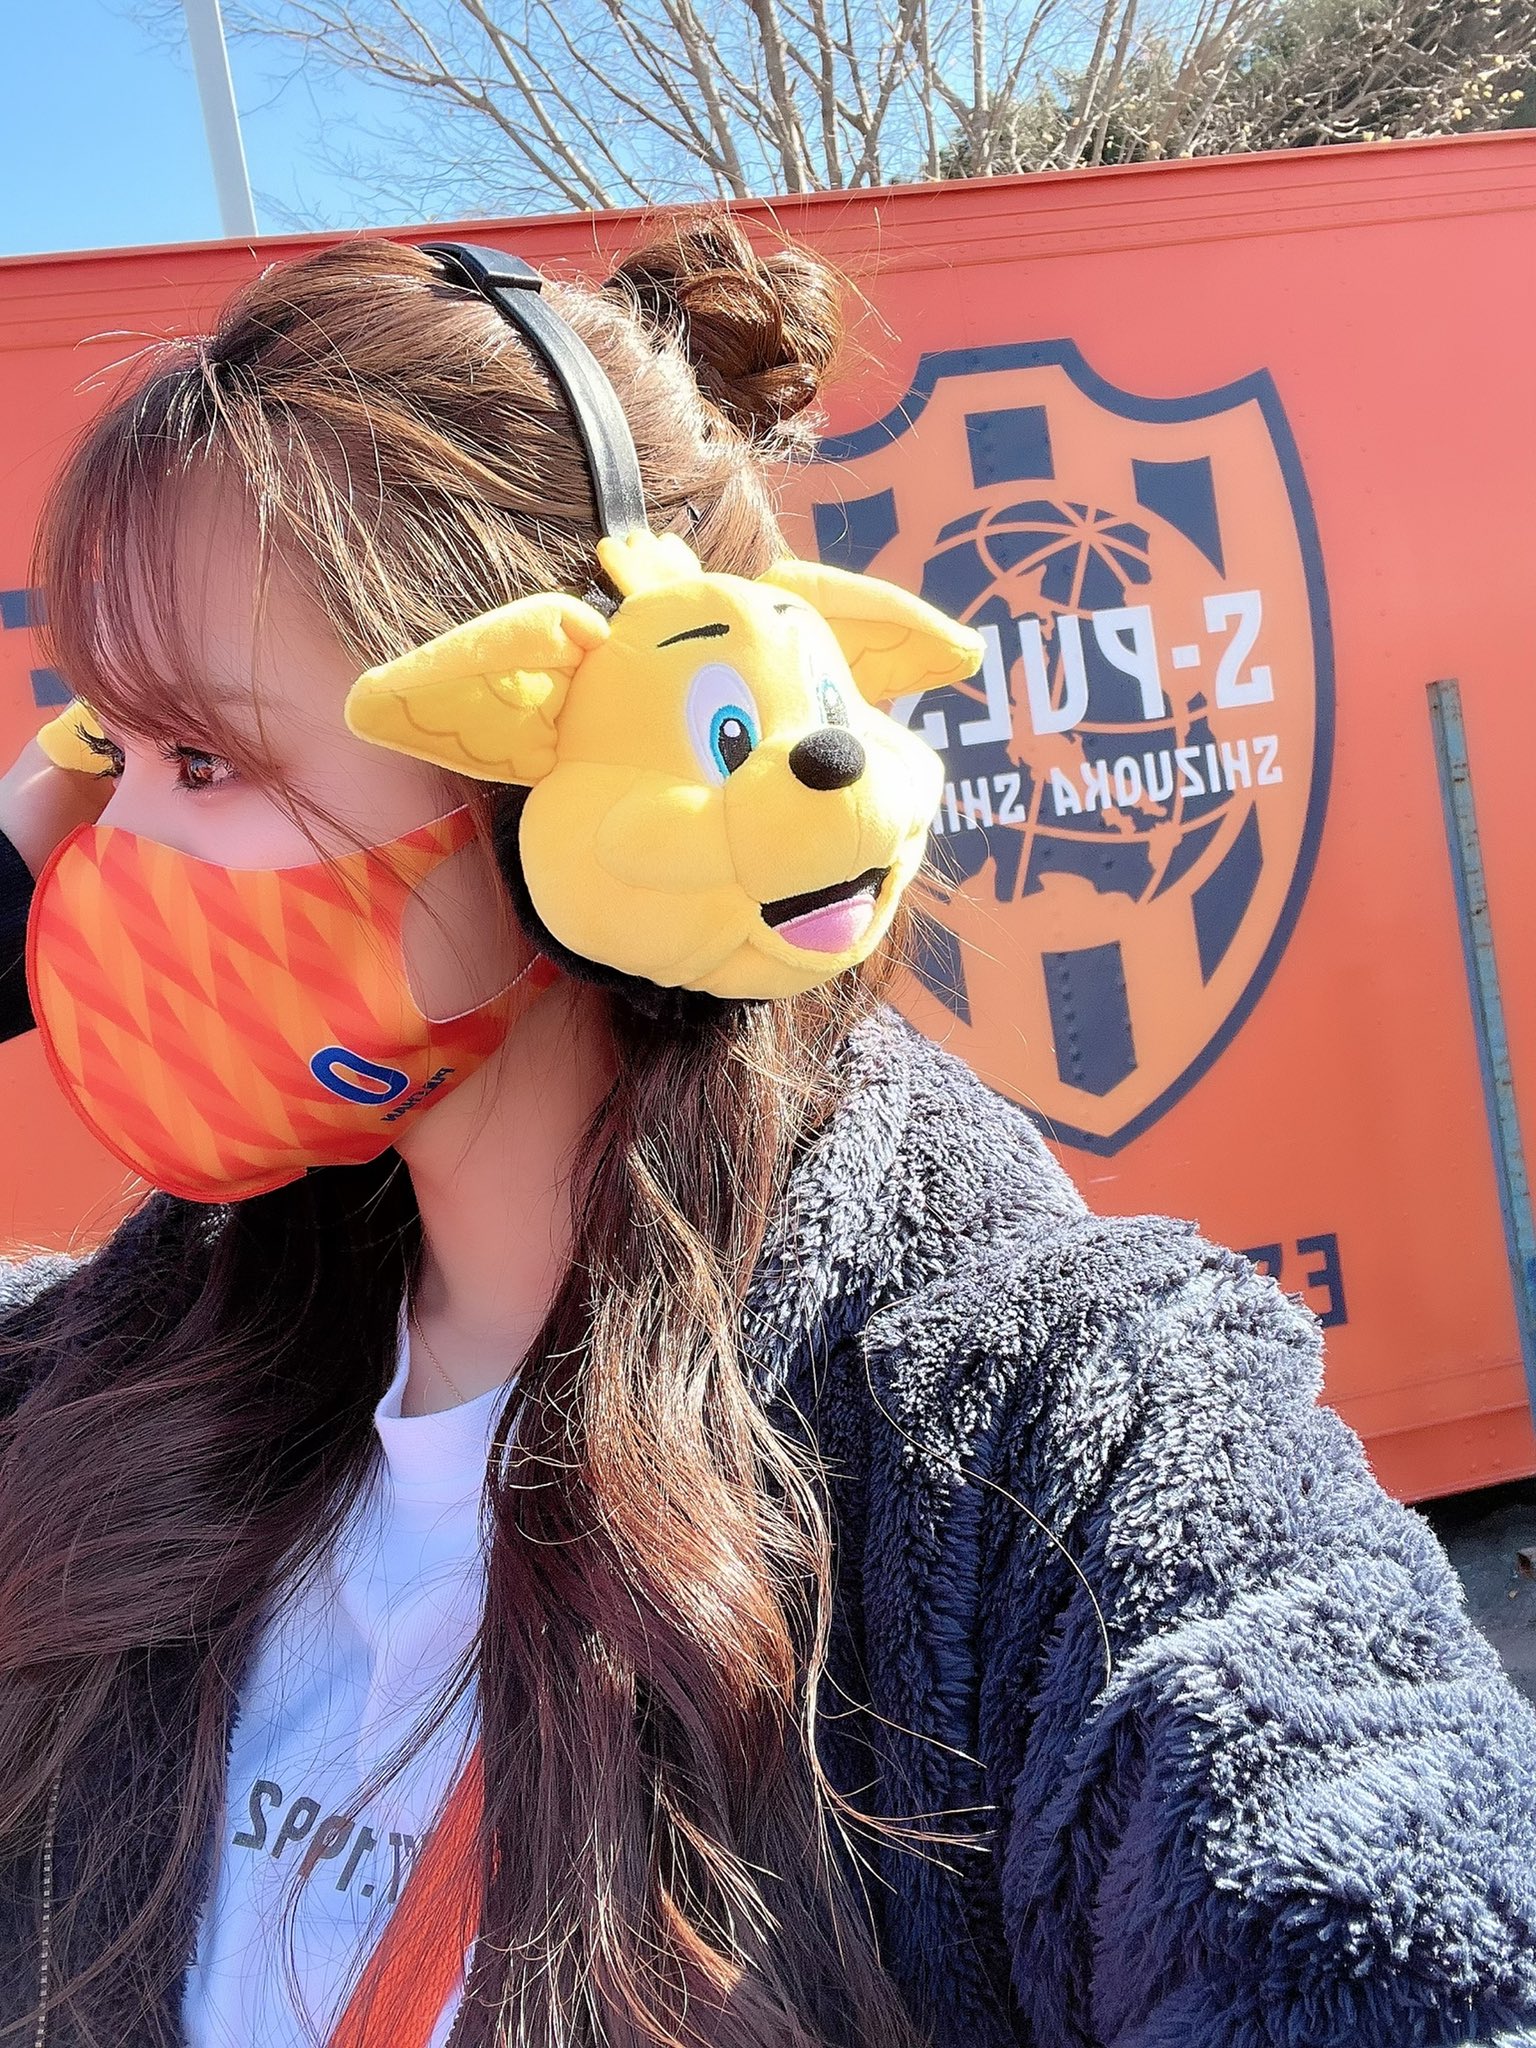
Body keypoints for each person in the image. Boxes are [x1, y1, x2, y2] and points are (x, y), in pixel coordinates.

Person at [0, 219, 1530, 2048]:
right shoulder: (105, 1380)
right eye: (102, 755)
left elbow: (1370, 1892)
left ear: (586, 769)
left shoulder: (1042, 1440)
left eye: (202, 761)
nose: (103, 855)